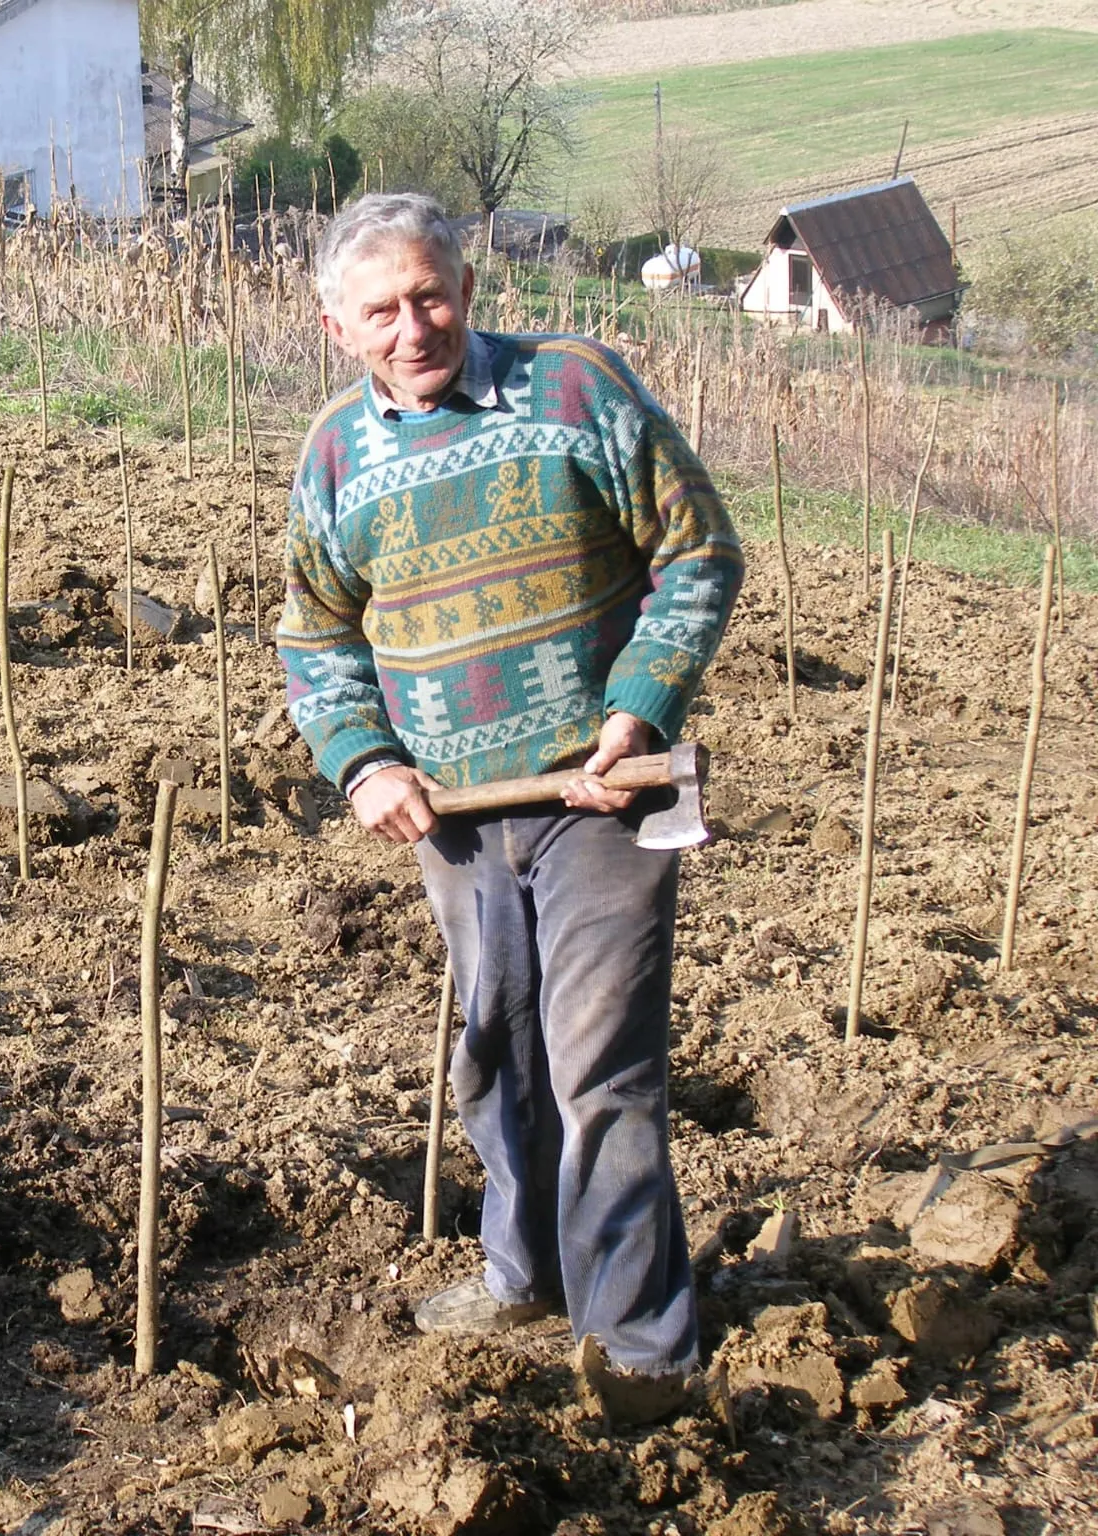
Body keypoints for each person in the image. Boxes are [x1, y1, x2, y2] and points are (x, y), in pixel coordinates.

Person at [278, 193, 744, 1415]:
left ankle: (639, 1347)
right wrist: (365, 762)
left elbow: (696, 551)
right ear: (337, 326)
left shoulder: (575, 388)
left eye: (428, 296)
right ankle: (522, 1275)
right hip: (452, 813)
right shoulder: (335, 455)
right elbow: (315, 637)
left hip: (600, 797)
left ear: (467, 291)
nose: (409, 327)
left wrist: (633, 709)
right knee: (495, 1054)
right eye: (379, 310)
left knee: (601, 1071)